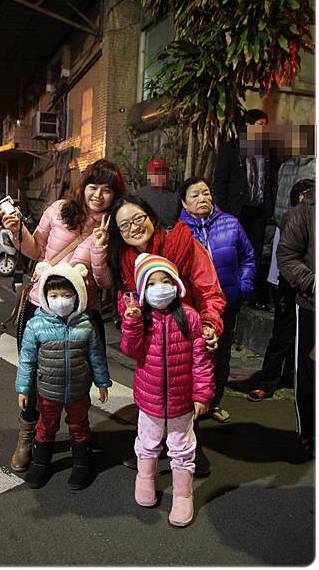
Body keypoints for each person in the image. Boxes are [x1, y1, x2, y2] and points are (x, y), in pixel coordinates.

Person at [2, 159, 125, 472]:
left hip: (83, 313)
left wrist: (99, 250)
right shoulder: (58, 210)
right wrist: (17, 231)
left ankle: (78, 435)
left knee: (77, 377)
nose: (98, 195)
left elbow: (107, 283)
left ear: (115, 195)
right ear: (83, 186)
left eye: (107, 190)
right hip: (39, 306)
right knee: (34, 374)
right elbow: (35, 250)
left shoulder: (114, 226)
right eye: (93, 186)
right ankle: (27, 435)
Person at [106, 194, 226, 477]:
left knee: (187, 388)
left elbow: (209, 290)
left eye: (138, 218)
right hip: (151, 337)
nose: (134, 227)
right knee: (154, 394)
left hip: (186, 331)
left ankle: (190, 448)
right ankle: (151, 449)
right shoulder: (123, 259)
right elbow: (125, 297)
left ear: (151, 216)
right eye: (125, 225)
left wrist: (209, 324)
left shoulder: (182, 244)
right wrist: (130, 314)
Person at [120, 253, 215, 527]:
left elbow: (201, 360)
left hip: (182, 401)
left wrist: (202, 394)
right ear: (142, 290)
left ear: (176, 284)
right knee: (147, 443)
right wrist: (132, 323)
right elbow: (132, 351)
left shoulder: (190, 317)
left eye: (165, 281)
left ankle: (183, 494)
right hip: (149, 399)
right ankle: (145, 478)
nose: (160, 288)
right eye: (151, 284)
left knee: (182, 448)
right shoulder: (141, 317)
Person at [15, 260, 112, 489]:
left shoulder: (86, 325)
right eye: (54, 295)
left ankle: (82, 464)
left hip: (78, 390)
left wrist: (102, 382)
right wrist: (23, 388)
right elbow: (27, 359)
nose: (61, 301)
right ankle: (40, 463)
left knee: (79, 425)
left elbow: (96, 355)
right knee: (46, 426)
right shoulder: (35, 325)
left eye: (67, 295)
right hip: (47, 391)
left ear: (77, 295)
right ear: (45, 296)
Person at [179, 177, 255, 422]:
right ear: (184, 203)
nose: (202, 198)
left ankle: (214, 402)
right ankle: (190, 406)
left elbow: (247, 257)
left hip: (227, 304)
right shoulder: (180, 231)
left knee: (221, 356)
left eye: (206, 193)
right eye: (195, 195)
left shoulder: (230, 223)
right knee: (195, 357)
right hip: (196, 309)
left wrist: (243, 287)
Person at [247, 178, 315, 401]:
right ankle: (267, 381)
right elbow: (285, 257)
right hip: (289, 285)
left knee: (301, 341)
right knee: (283, 335)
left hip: (305, 291)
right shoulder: (294, 217)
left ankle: (290, 377)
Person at [213, 109, 277, 307]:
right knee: (232, 252)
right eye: (259, 125)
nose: (263, 129)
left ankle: (251, 294)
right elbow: (220, 182)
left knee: (254, 254)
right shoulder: (230, 149)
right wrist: (225, 210)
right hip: (237, 211)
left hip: (259, 210)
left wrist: (269, 207)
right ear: (247, 126)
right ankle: (230, 293)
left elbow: (271, 180)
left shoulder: (268, 151)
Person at [277, 186, 315, 457]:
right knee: (310, 372)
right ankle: (309, 430)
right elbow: (287, 256)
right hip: (313, 305)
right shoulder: (304, 212)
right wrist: (313, 283)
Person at [135, 158, 183, 228]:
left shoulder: (175, 196)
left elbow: (181, 219)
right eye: (155, 173)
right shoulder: (139, 195)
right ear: (149, 175)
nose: (158, 177)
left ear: (167, 175)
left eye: (162, 173)